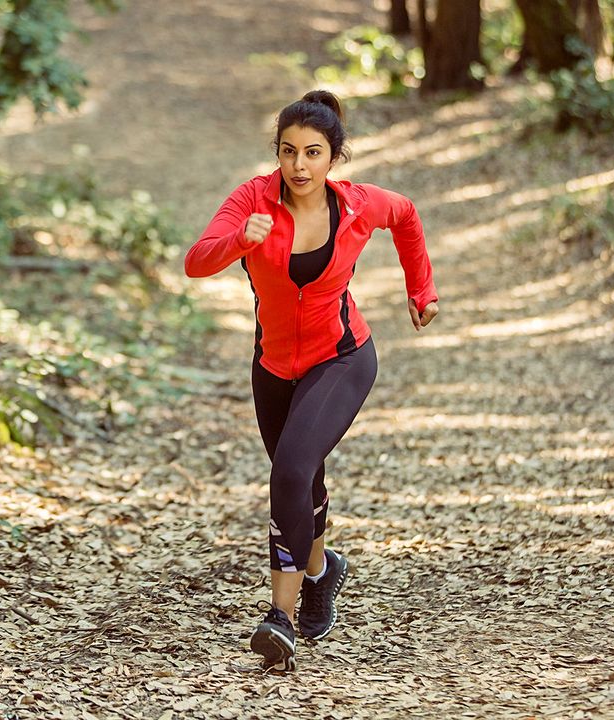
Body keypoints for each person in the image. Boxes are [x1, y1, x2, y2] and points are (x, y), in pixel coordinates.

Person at [184, 90, 438, 671]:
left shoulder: (357, 205)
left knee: (290, 471)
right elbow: (196, 261)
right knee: (304, 478)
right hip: (273, 365)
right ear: (276, 152)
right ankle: (324, 571)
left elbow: (407, 217)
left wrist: (421, 291)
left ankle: (280, 617)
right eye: (288, 151)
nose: (298, 166)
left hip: (342, 357)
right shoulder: (252, 198)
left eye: (313, 153)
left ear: (335, 157)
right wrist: (239, 242)